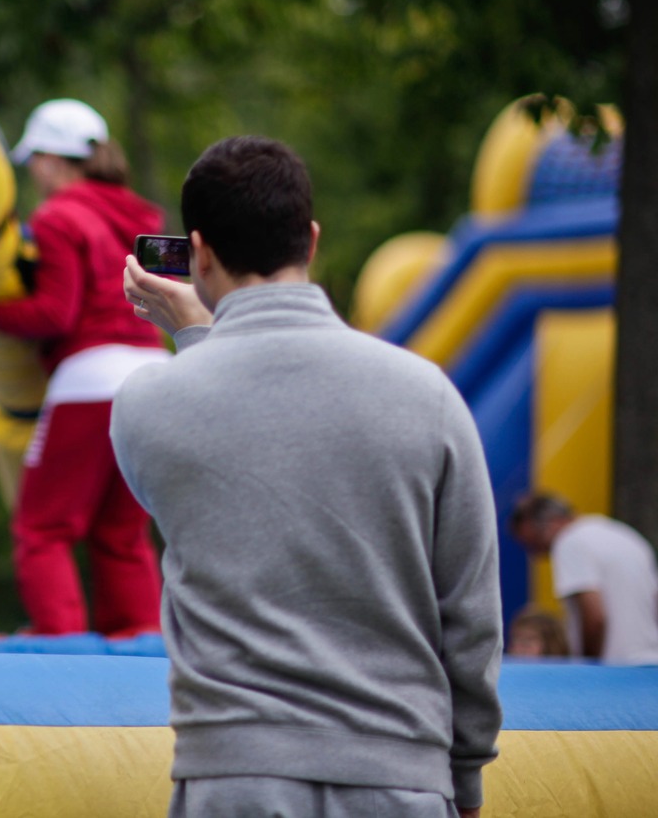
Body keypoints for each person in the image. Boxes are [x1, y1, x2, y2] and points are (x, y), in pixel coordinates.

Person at [114, 136, 501, 818]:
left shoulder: (148, 404)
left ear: (197, 252)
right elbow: (469, 616)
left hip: (232, 783)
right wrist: (463, 781)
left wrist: (196, 335)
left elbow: (217, 457)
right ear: (311, 239)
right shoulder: (429, 396)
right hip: (402, 780)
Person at [0, 98, 166, 637]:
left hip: (90, 381)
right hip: (153, 374)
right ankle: (140, 647)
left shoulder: (59, 216)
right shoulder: (140, 216)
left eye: (35, 158)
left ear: (53, 160)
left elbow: (53, 314)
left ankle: (62, 649)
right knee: (121, 533)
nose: (33, 172)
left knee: (43, 527)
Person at [508, 492, 658, 665]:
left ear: (548, 523)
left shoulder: (569, 542)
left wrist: (586, 670)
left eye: (532, 542)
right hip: (650, 666)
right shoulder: (624, 535)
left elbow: (595, 617)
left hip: (615, 671)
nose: (536, 553)